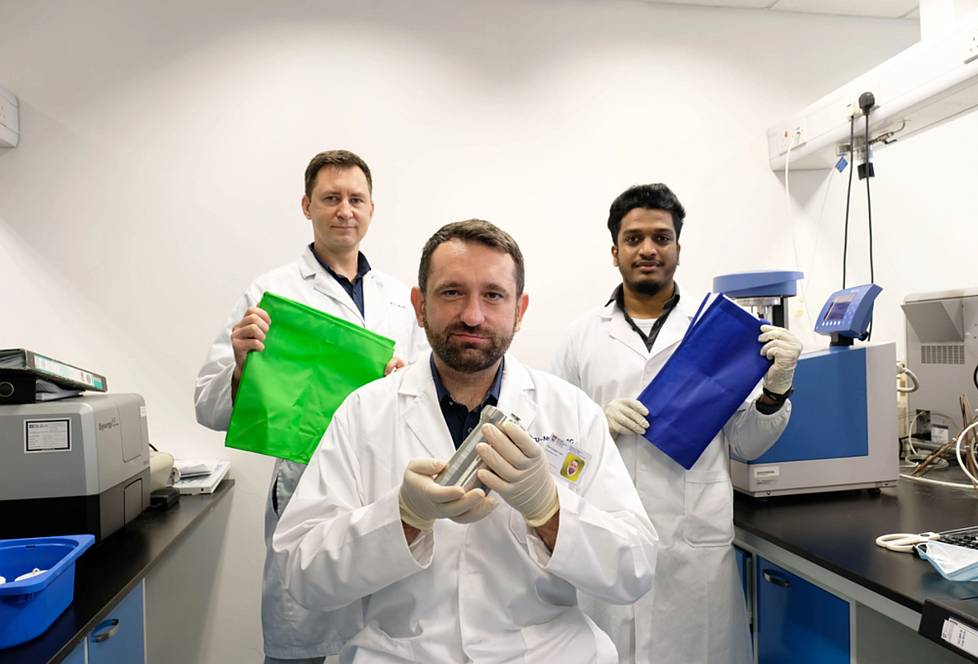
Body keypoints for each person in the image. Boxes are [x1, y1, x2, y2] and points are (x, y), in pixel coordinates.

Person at [272, 219, 658, 663]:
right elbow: (303, 573)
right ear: (419, 306)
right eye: (452, 292)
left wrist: (550, 510)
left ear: (520, 310)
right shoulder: (364, 412)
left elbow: (635, 570)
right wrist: (402, 517)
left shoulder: (571, 412)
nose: (473, 315)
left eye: (493, 295)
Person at [551, 183, 803, 664]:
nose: (648, 249)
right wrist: (595, 425)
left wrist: (777, 387)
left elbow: (746, 444)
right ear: (614, 251)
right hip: (606, 537)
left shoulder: (720, 331)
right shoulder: (580, 337)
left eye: (661, 238)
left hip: (694, 547)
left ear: (678, 249)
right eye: (634, 238)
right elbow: (551, 449)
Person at [194, 150, 428, 664]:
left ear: (371, 209)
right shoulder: (270, 292)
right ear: (307, 206)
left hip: (386, 483)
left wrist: (406, 378)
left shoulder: (400, 297)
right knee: (300, 635)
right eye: (331, 198)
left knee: (384, 640)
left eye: (355, 199)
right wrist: (239, 367)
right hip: (306, 485)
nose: (345, 210)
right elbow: (207, 408)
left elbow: (429, 393)